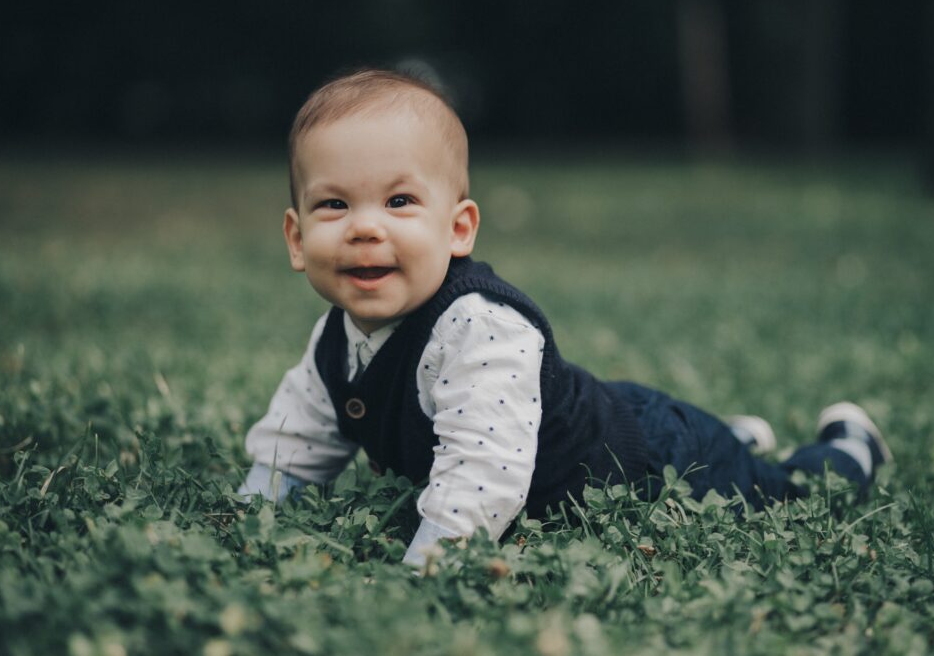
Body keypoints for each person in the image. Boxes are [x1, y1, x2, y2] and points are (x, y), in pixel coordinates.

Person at [238, 69, 893, 566]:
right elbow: (301, 432)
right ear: (296, 238)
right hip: (604, 416)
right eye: (333, 205)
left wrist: (432, 561)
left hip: (645, 463)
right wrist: (259, 507)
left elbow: (483, 474)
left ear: (458, 228)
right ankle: (736, 437)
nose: (365, 228)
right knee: (721, 448)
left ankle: (846, 449)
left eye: (399, 201)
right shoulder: (336, 339)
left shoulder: (479, 327)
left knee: (777, 490)